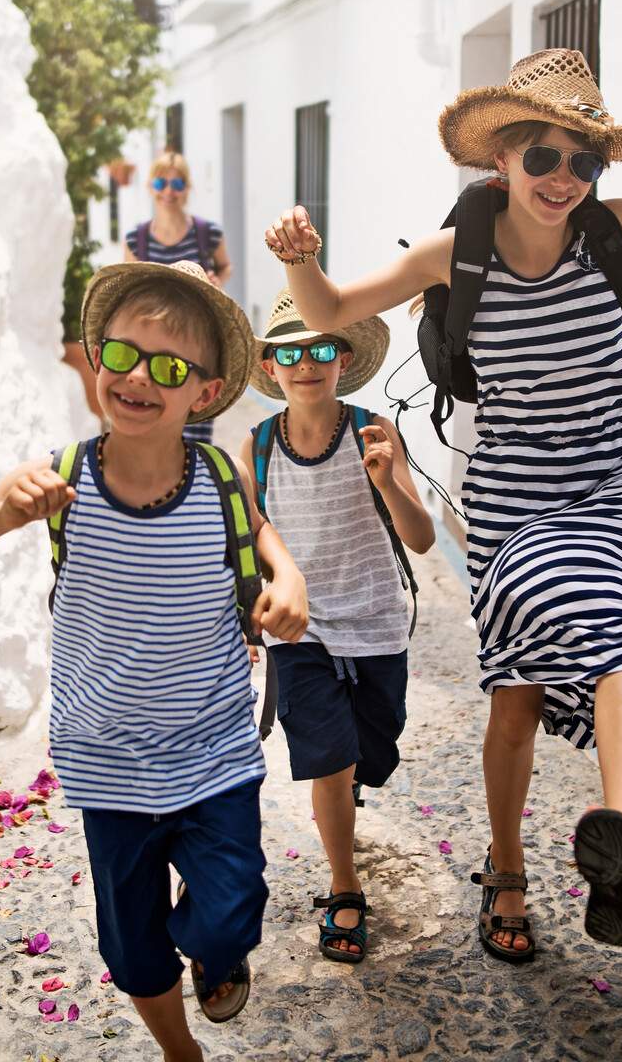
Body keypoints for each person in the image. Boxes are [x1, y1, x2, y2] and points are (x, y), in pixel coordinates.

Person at [260, 48, 622, 960]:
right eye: (542, 157)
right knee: (516, 696)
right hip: (511, 498)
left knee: (618, 617)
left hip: (619, 476)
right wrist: (302, 264)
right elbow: (335, 303)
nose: (563, 179)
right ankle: (506, 867)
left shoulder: (618, 229)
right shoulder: (454, 255)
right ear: (501, 158)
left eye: (584, 161)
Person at [0, 260, 308, 1061]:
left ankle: (214, 949)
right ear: (95, 363)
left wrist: (287, 577)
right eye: (122, 356)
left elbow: (261, 535)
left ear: (206, 393)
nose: (139, 379)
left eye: (169, 367)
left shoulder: (221, 476)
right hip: (109, 764)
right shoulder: (61, 481)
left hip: (214, 747)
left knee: (232, 909)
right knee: (131, 947)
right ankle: (179, 1049)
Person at [239, 289, 436, 964]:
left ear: (342, 358)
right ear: (269, 368)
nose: (305, 363)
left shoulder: (373, 430)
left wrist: (387, 482)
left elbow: (422, 538)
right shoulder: (257, 447)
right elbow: (248, 541)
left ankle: (347, 781)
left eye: (320, 348)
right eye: (289, 353)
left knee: (370, 751)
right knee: (329, 754)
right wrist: (248, 616)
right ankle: (344, 887)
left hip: (377, 622)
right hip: (302, 631)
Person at [124, 150, 234, 444]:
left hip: (196, 345)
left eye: (177, 184)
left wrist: (216, 281)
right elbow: (128, 293)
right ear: (150, 187)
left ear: (187, 188)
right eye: (161, 184)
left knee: (196, 428)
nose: (169, 192)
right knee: (152, 423)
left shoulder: (206, 233)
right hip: (152, 348)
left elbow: (225, 267)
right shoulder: (137, 239)